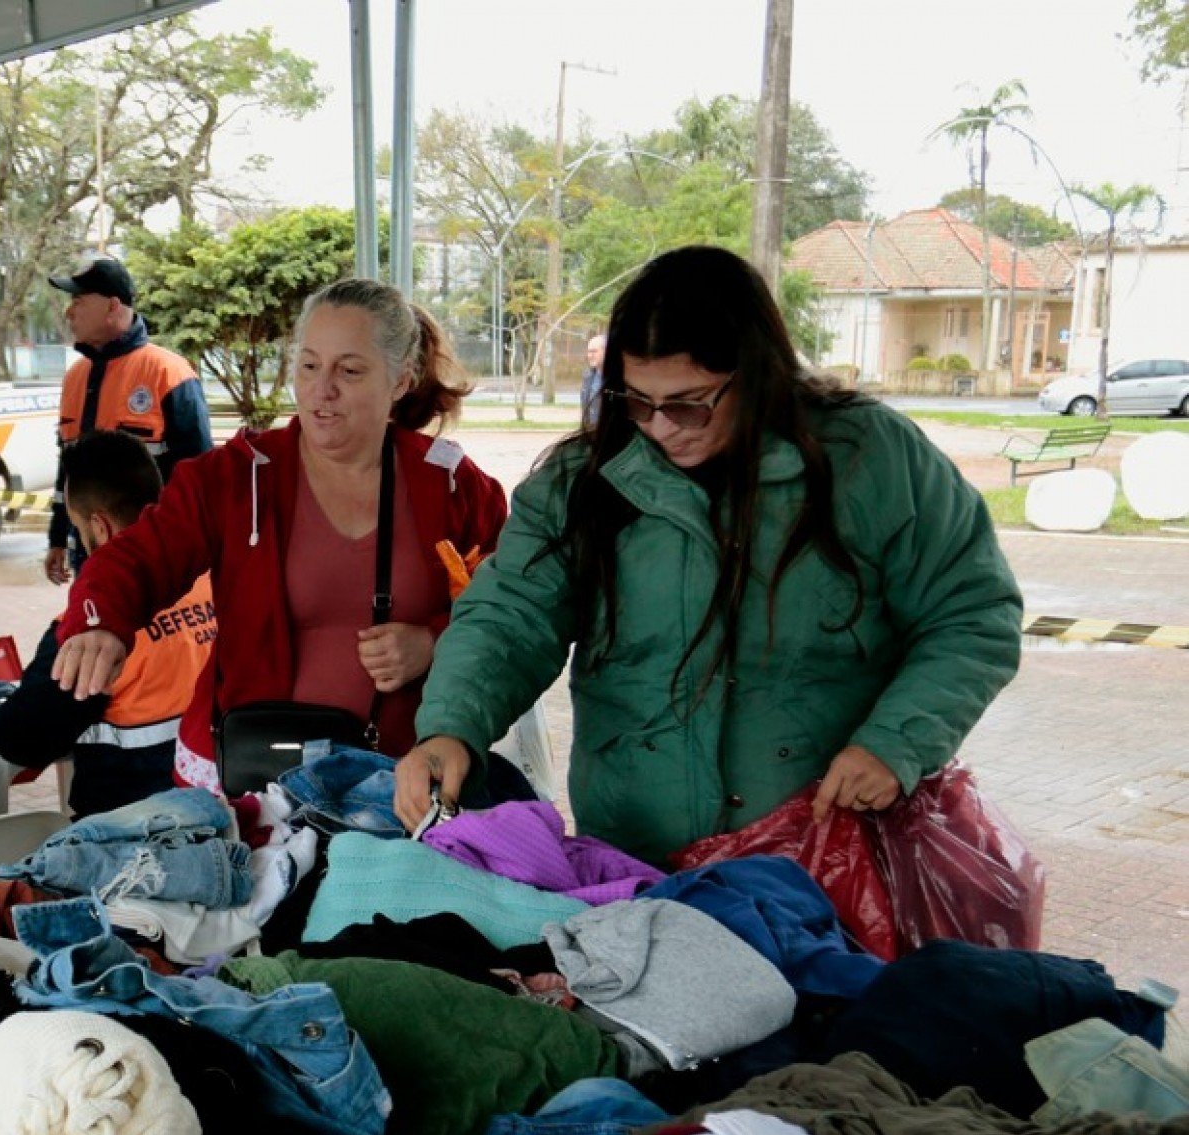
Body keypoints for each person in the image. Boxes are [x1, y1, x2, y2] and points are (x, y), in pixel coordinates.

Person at [394, 246, 1024, 863]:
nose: (660, 426)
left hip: (825, 861)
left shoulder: (870, 460)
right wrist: (452, 726)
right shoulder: (580, 483)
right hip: (638, 861)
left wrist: (893, 744)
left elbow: (972, 614)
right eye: (636, 401)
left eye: (688, 404)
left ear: (756, 376)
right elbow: (511, 615)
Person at [51, 278, 507, 794]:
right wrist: (99, 621)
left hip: (394, 782)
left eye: (350, 370)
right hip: (251, 778)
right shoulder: (236, 477)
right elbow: (141, 553)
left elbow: (504, 609)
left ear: (400, 380)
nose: (322, 389)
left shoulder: (451, 485)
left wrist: (434, 641)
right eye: (309, 365)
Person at [0, 431, 214, 816]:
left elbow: (22, 740)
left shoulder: (88, 633)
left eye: (76, 529)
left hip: (129, 832)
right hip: (222, 813)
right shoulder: (213, 585)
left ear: (101, 527)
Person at [42, 256, 212, 585]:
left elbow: (199, 478)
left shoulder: (169, 374)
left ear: (112, 307)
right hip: (89, 555)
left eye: (78, 301)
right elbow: (69, 469)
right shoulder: (75, 377)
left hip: (152, 558)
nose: (69, 312)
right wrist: (57, 538)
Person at [580, 332, 606, 427]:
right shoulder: (587, 377)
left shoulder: (619, 378)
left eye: (594, 351)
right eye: (588, 352)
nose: (590, 356)